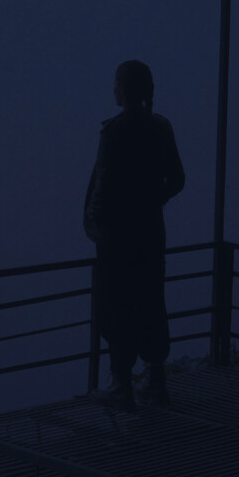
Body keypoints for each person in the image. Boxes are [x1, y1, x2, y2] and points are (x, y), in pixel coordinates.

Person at [83, 60, 185, 411]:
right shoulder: (161, 127)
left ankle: (121, 384)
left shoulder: (115, 131)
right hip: (151, 234)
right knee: (151, 301)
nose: (113, 90)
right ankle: (155, 381)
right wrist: (152, 201)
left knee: (116, 305)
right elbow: (177, 179)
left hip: (118, 237)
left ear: (123, 90)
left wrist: (95, 227)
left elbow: (103, 184)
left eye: (116, 84)